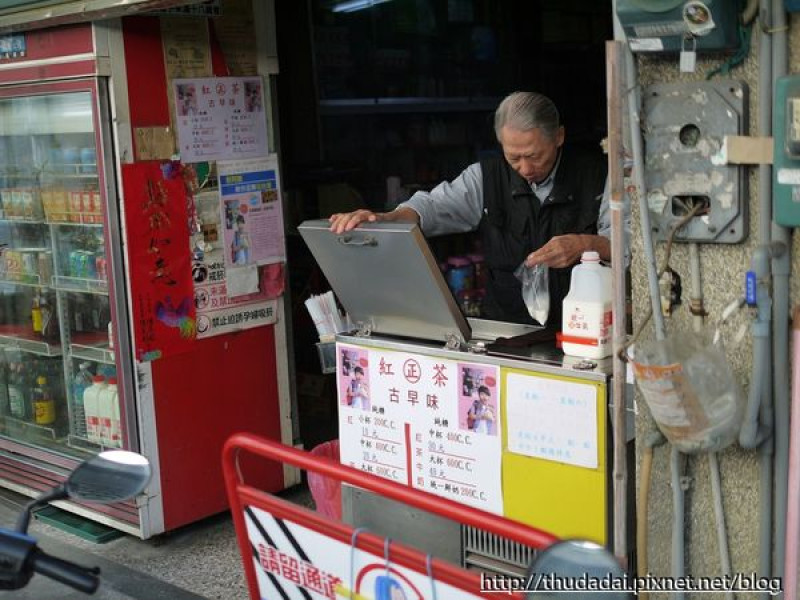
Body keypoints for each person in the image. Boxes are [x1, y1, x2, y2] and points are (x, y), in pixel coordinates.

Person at [329, 91, 610, 326]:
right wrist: (386, 218)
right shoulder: (485, 177)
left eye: (534, 156)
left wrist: (587, 244)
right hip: (508, 330)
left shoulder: (600, 176)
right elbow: (432, 206)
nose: (525, 169)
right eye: (513, 157)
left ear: (559, 137)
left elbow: (631, 247)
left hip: (583, 330)